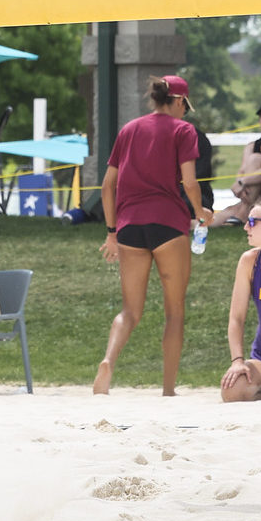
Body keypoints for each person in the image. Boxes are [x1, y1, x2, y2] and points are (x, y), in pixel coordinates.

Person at [94, 74, 207, 397]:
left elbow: (107, 187)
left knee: (130, 311)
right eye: (185, 105)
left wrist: (112, 232)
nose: (186, 111)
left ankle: (108, 361)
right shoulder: (183, 131)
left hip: (129, 226)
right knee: (174, 311)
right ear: (177, 101)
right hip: (169, 223)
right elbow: (189, 183)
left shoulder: (129, 130)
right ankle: (168, 389)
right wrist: (200, 213)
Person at [220, 201, 261, 402]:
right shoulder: (250, 261)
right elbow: (236, 318)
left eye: (252, 222)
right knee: (232, 390)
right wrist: (238, 361)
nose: (246, 227)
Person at [211, 101, 261, 227]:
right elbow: (243, 170)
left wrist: (242, 182)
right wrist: (240, 182)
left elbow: (247, 177)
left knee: (255, 160)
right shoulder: (252, 146)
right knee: (217, 219)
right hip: (254, 199)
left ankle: (243, 214)